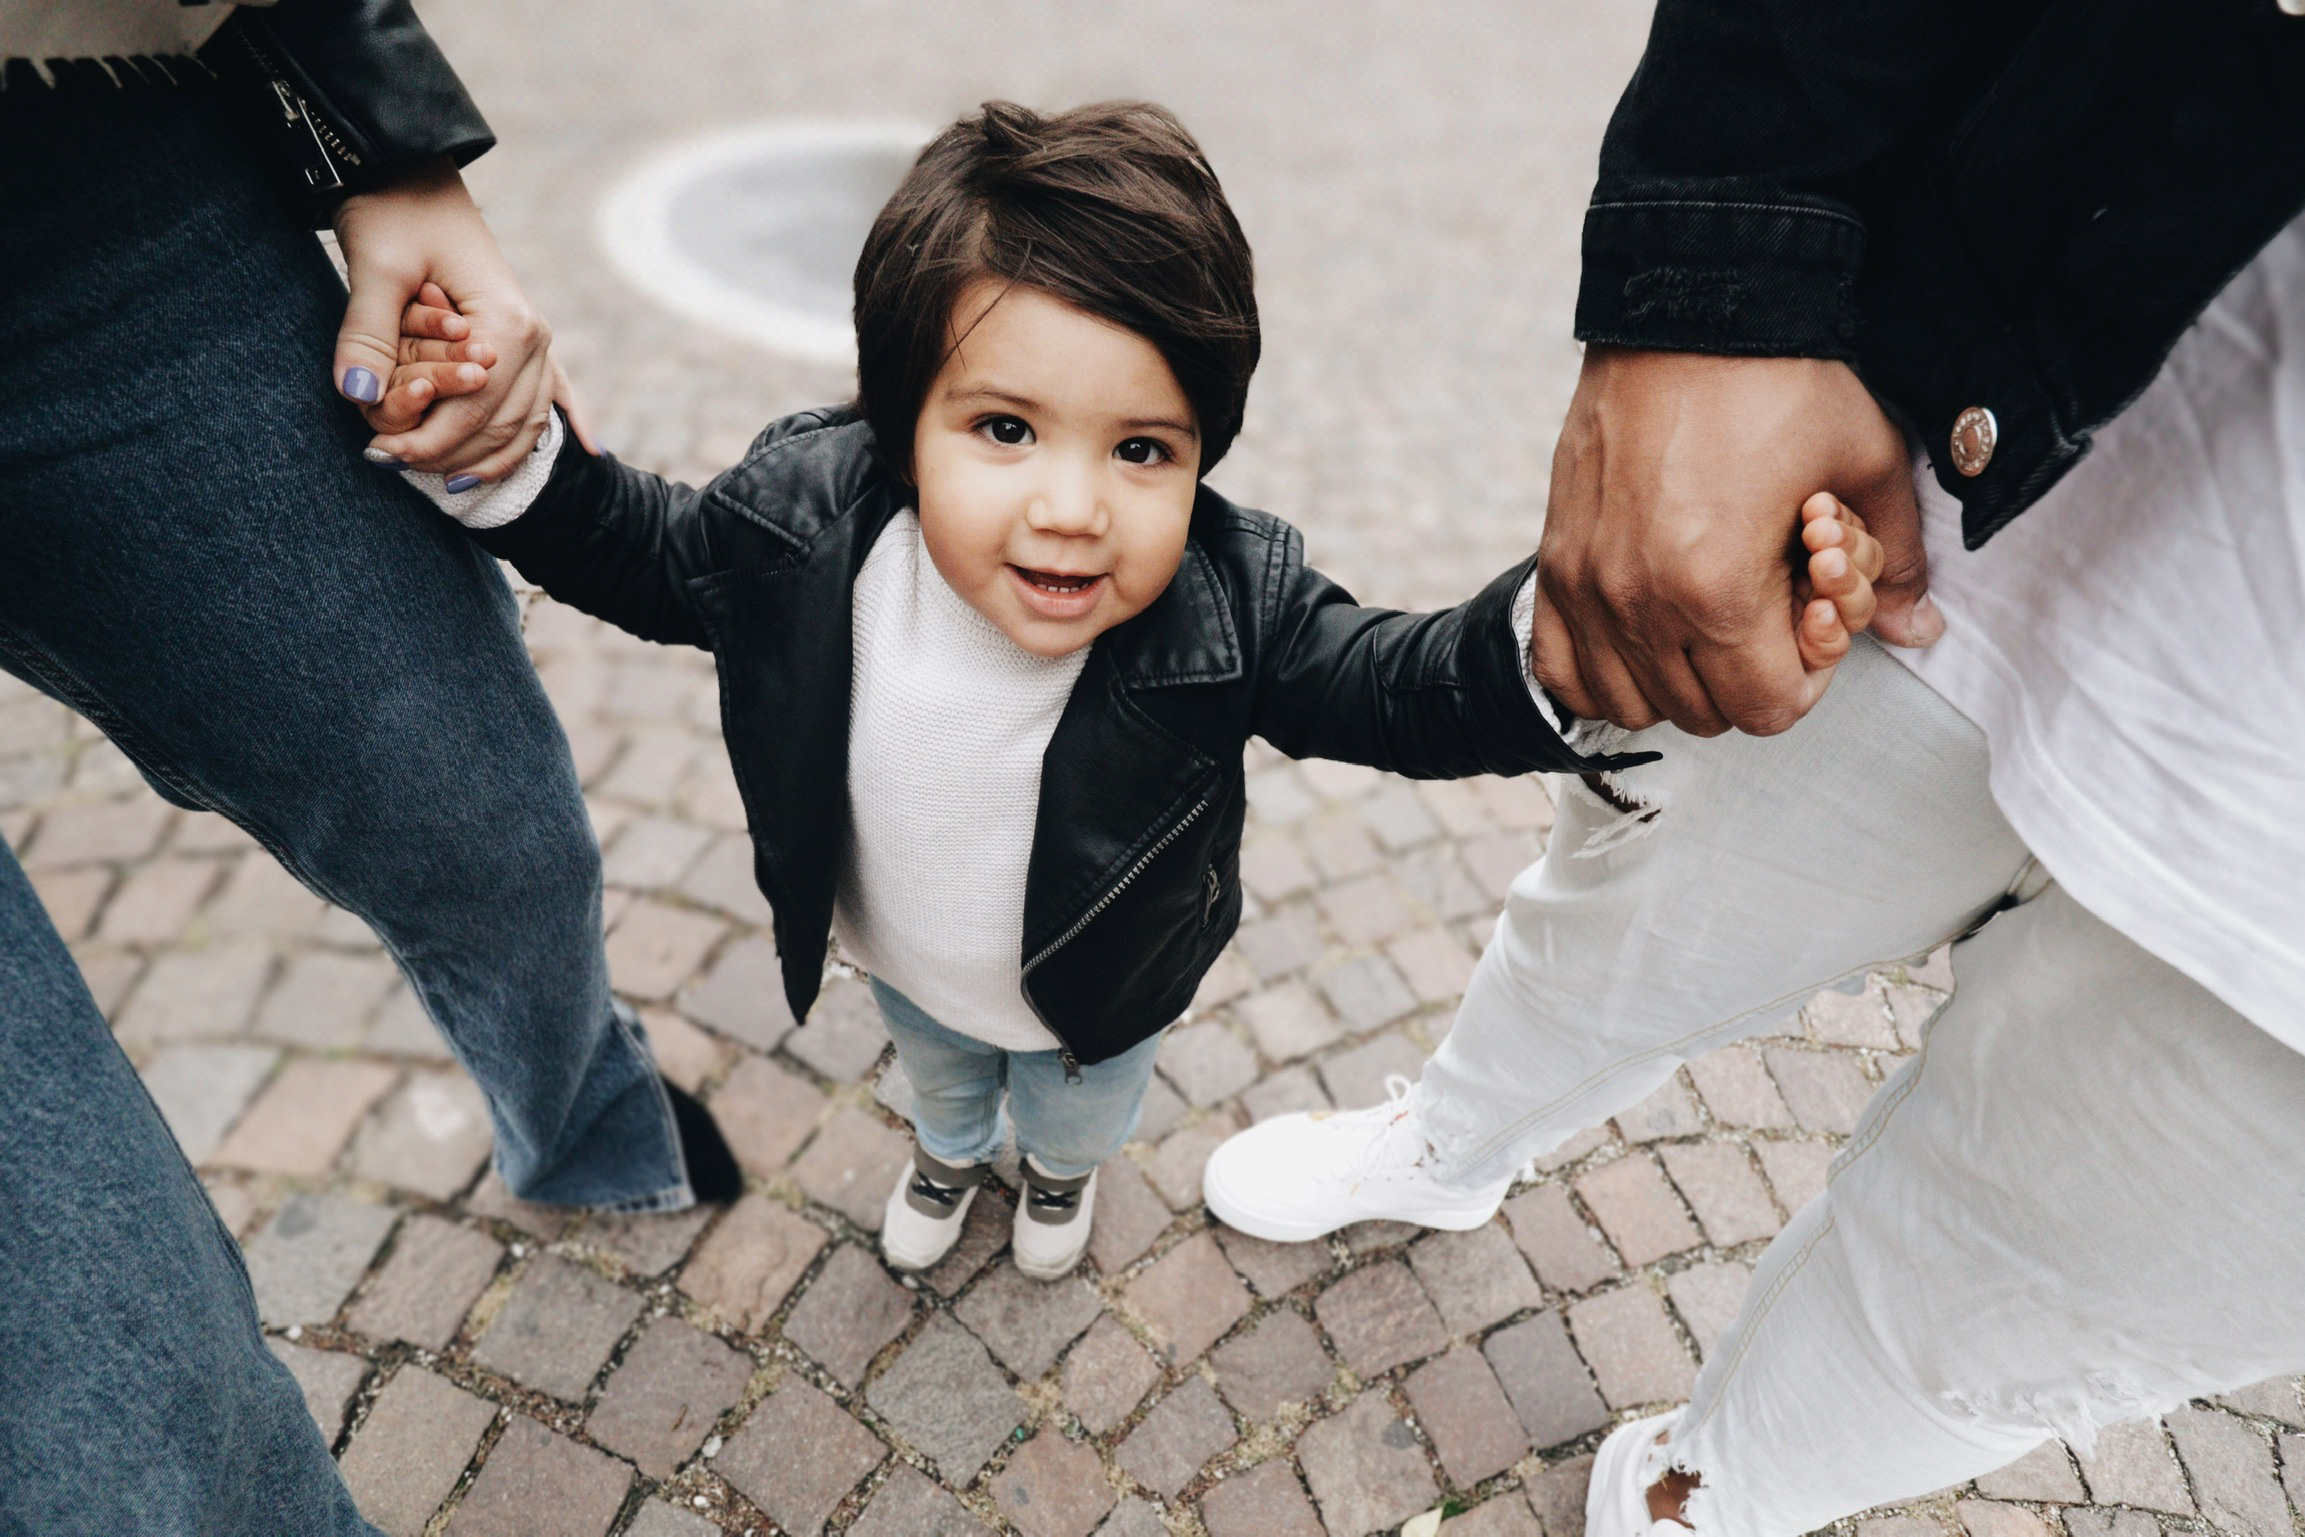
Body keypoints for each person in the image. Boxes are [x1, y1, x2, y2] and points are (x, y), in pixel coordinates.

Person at [382, 100, 1891, 1284]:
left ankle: (1052, 1177)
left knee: (1070, 1112)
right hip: (902, 951)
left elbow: (1398, 684)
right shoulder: (802, 528)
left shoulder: (1226, 603)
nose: (1070, 508)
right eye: (1003, 428)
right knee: (941, 1077)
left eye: (1141, 450)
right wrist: (502, 461)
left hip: (1102, 995)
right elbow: (643, 548)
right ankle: (948, 1156)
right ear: (901, 419)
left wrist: (1577, 638)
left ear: (1202, 459)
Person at [1202, 3, 2305, 1535]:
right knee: (1646, 892)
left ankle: (1710, 1488)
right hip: (1986, 425)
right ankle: (1457, 1134)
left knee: (2034, 1280)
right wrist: (1718, 277)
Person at [0, 6, 732, 1532]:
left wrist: (383, 143)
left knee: (473, 809)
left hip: (73, 163)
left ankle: (583, 1117)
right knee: (100, 1444)